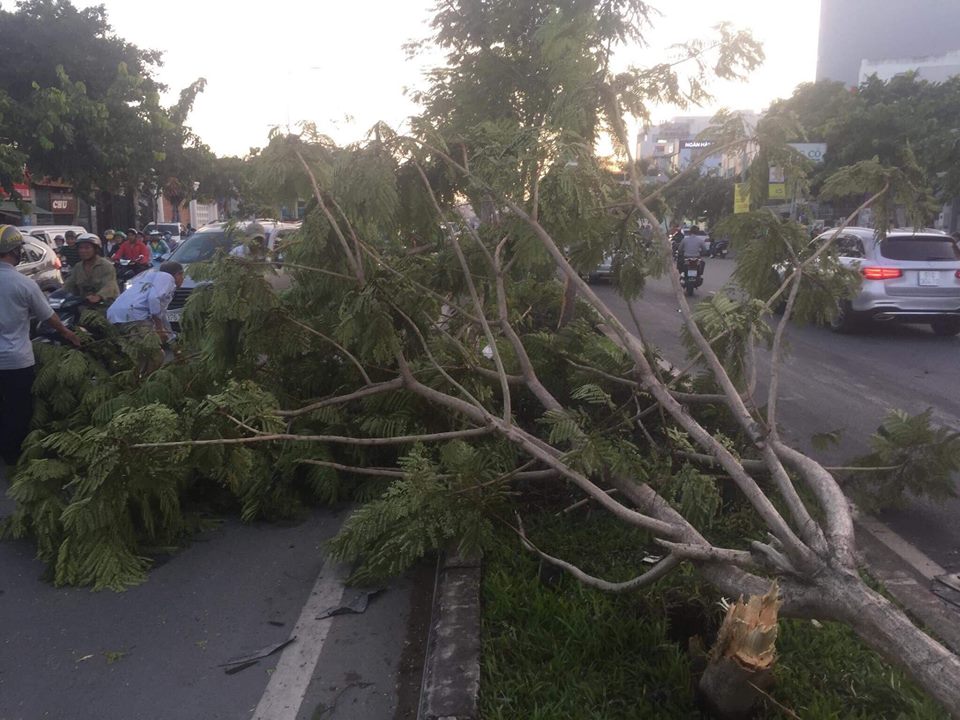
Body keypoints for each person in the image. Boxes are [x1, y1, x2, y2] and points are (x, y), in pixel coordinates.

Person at [0, 226, 81, 466]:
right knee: (18, 409)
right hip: (17, 361)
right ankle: (13, 456)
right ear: (16, 252)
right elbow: (48, 316)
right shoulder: (23, 284)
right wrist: (68, 333)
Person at [107, 261, 185, 347]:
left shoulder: (148, 276)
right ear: (178, 274)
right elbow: (153, 298)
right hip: (134, 315)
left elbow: (162, 315)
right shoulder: (167, 277)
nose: (183, 279)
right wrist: (159, 327)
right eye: (182, 275)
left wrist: (171, 338)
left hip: (114, 314)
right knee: (152, 354)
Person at [62, 234, 120, 305]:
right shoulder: (78, 267)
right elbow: (69, 284)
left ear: (96, 249)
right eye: (81, 248)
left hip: (105, 304)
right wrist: (57, 294)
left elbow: (109, 285)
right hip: (84, 304)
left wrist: (99, 296)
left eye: (87, 248)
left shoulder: (106, 265)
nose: (83, 251)